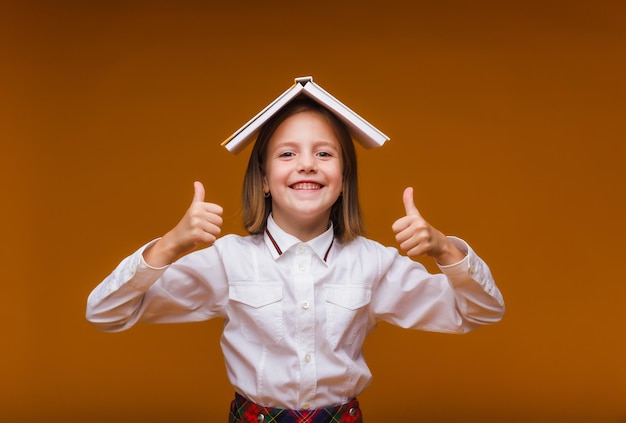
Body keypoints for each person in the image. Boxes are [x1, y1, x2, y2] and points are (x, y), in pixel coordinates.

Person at [86, 96, 505, 423]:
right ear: (264, 179)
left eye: (324, 154)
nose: (307, 163)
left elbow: (481, 312)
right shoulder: (228, 260)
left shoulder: (373, 264)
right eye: (288, 154)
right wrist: (169, 246)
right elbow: (105, 312)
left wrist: (445, 250)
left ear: (343, 181)